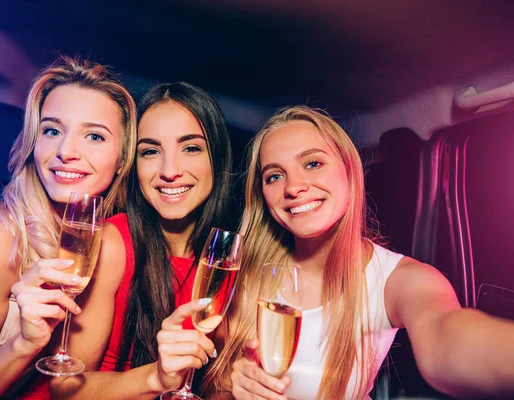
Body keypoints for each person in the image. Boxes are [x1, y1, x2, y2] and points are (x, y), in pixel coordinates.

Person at [204, 106, 514, 400]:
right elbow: (214, 386)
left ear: (350, 171)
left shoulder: (399, 280)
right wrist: (233, 390)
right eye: (274, 176)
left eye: (313, 163)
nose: (293, 187)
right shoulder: (244, 273)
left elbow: (447, 340)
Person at [0, 55, 137, 400]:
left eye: (94, 136)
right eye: (52, 130)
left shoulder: (104, 241)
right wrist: (23, 344)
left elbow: (70, 379)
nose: (66, 151)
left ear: (123, 157)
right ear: (34, 141)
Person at [21, 81, 234, 399]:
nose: (170, 170)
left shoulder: (226, 262)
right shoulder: (111, 244)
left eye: (191, 148)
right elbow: (65, 389)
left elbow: (216, 383)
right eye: (150, 152)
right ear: (133, 165)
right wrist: (158, 377)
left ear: (216, 159)